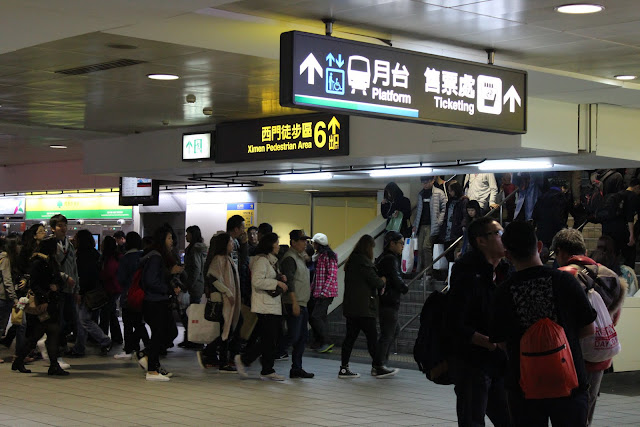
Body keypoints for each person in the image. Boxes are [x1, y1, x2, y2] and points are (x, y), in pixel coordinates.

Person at [491, 221, 597, 426]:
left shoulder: (502, 293)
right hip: (569, 382)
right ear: (539, 247)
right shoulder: (565, 281)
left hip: (523, 386)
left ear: (508, 255)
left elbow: (501, 342)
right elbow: (588, 328)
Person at [551, 228, 627, 425]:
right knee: (588, 405)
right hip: (600, 353)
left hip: (569, 356)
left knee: (568, 409)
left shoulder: (561, 277)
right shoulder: (609, 275)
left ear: (561, 251)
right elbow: (612, 318)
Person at [446, 217, 510, 426]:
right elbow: (454, 320)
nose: (504, 238)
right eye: (499, 234)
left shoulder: (506, 270)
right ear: (481, 241)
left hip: (500, 362)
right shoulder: (466, 271)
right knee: (473, 420)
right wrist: (487, 341)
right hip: (472, 363)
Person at [234, 232, 289, 381]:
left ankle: (266, 368)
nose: (278, 246)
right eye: (276, 243)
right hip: (265, 306)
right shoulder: (261, 261)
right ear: (270, 245)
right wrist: (276, 283)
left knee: (270, 338)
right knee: (268, 338)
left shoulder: (271, 261)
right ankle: (247, 360)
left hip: (271, 305)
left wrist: (278, 278)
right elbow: (257, 281)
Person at [12, 237, 69, 375]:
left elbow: (56, 279)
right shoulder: (39, 262)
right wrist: (43, 299)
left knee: (42, 333)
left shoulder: (50, 261)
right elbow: (35, 284)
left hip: (51, 302)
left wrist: (58, 286)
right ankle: (52, 365)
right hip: (43, 303)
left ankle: (22, 361)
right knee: (50, 331)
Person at [138, 225, 184, 381]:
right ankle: (152, 370)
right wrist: (169, 288)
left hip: (160, 300)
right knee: (160, 333)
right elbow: (151, 281)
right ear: (162, 239)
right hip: (154, 301)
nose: (172, 241)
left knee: (168, 332)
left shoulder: (161, 256)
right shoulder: (156, 257)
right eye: (169, 238)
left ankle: (152, 361)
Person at [338, 234, 387, 379]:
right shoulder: (363, 262)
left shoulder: (352, 260)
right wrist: (382, 280)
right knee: (372, 338)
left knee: (350, 338)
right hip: (363, 308)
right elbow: (376, 282)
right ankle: (378, 367)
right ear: (368, 247)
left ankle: (344, 368)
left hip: (352, 307)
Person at [66, 230, 112, 358]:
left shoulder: (82, 255)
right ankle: (79, 347)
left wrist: (79, 292)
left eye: (76, 238)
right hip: (94, 292)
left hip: (86, 293)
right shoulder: (95, 254)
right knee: (82, 321)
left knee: (84, 320)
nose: (74, 240)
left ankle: (104, 340)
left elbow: (83, 276)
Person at [200, 232, 241, 372]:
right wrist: (228, 293)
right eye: (230, 242)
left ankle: (214, 355)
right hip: (224, 301)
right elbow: (213, 277)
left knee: (229, 329)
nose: (232, 244)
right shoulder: (219, 259)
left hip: (230, 301)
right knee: (227, 330)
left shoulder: (227, 259)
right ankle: (220, 359)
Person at [278, 230, 314, 378]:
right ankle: (271, 354)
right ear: (293, 242)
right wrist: (293, 302)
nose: (305, 243)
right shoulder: (290, 259)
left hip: (302, 302)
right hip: (294, 302)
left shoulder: (299, 258)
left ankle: (296, 368)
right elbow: (290, 282)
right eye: (302, 240)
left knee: (302, 337)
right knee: (293, 335)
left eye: (306, 240)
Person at [375, 231, 408, 376]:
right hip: (389, 301)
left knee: (393, 331)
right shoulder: (390, 259)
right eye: (400, 243)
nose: (402, 246)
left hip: (386, 300)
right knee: (388, 334)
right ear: (392, 244)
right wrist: (404, 287)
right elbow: (395, 277)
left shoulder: (385, 257)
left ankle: (380, 363)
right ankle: (379, 365)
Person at [114, 232, 149, 360]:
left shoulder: (125, 258)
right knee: (139, 322)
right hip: (142, 294)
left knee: (128, 323)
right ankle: (146, 345)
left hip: (128, 295)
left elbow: (121, 279)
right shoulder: (144, 256)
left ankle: (129, 349)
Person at [50, 214, 78, 354]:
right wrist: (64, 277)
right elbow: (50, 267)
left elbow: (74, 268)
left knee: (71, 319)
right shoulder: (50, 244)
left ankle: (60, 345)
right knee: (58, 320)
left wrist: (77, 289)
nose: (63, 228)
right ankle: (57, 348)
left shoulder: (70, 245)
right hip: (56, 288)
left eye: (65, 225)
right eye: (60, 225)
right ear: (53, 228)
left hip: (70, 289)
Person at [308, 232, 338, 353]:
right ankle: (322, 342)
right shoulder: (319, 256)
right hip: (319, 292)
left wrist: (324, 291)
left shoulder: (330, 256)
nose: (313, 245)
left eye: (314, 243)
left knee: (315, 316)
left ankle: (327, 341)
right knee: (322, 317)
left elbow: (331, 275)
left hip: (326, 293)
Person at [180, 225, 207, 349]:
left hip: (194, 285)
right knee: (191, 313)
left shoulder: (195, 249)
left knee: (192, 314)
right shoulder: (196, 248)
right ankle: (189, 339)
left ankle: (195, 340)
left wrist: (189, 284)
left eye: (188, 233)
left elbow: (196, 268)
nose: (186, 236)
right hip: (196, 284)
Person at [412, 176, 447, 272]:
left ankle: (428, 272)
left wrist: (439, 221)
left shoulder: (439, 193)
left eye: (427, 182)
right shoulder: (421, 194)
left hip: (432, 225)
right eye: (423, 183)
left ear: (432, 181)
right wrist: (415, 224)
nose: (425, 185)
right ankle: (421, 271)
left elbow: (444, 208)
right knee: (420, 249)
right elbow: (419, 211)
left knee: (426, 247)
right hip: (421, 225)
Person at [532, 177, 573, 250]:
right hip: (555, 230)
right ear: (562, 187)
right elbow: (559, 216)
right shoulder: (560, 197)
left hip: (542, 230)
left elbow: (535, 214)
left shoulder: (542, 197)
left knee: (542, 250)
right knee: (560, 251)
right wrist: (563, 228)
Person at [98, 236, 122, 347]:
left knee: (105, 315)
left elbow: (108, 274)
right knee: (111, 313)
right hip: (115, 289)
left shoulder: (109, 259)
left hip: (110, 289)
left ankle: (103, 338)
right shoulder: (117, 257)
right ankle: (117, 337)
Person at [439, 181, 468, 262]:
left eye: (451, 190)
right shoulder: (449, 202)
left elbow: (465, 215)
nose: (449, 192)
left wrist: (462, 226)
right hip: (448, 231)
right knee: (447, 253)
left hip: (456, 230)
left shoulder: (463, 201)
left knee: (454, 253)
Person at [0, 238, 18, 363]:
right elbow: (7, 280)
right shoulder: (5, 258)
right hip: (3, 296)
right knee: (1, 327)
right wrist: (14, 297)